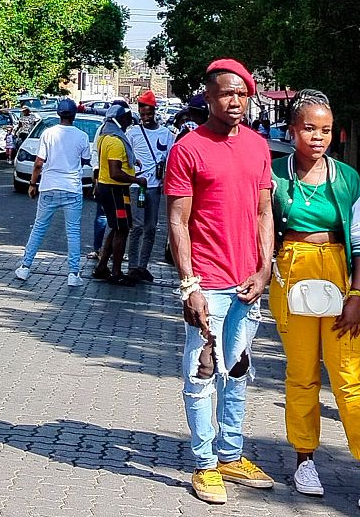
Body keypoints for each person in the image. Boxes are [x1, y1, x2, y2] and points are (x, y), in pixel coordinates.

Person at [269, 89, 360, 510]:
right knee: (301, 375)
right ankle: (305, 460)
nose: (317, 137)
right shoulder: (274, 175)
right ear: (292, 130)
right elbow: (260, 226)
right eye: (308, 128)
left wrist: (357, 294)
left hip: (337, 273)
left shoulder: (348, 178)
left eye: (325, 130)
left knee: (349, 377)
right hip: (291, 273)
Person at [164, 58, 274, 505]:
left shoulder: (259, 146)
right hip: (208, 283)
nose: (235, 100)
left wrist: (265, 269)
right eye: (227, 93)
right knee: (201, 372)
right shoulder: (188, 149)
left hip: (248, 282)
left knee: (239, 372)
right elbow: (176, 221)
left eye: (242, 93)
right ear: (207, 97)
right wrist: (189, 285)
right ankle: (205, 464)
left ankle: (231, 455)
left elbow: (265, 212)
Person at [14, 99, 92, 287]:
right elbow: (85, 160)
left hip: (49, 185)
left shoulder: (48, 133)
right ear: (74, 115)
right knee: (73, 231)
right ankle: (73, 273)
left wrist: (32, 183)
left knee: (39, 227)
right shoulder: (82, 136)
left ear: (58, 114)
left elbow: (39, 162)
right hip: (72, 187)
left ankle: (25, 266)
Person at [125, 90, 175, 283]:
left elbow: (170, 161)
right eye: (142, 114)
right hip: (137, 186)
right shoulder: (133, 133)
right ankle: (132, 267)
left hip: (155, 187)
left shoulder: (166, 134)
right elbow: (127, 158)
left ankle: (142, 266)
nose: (145, 118)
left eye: (148, 114)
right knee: (136, 227)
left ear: (155, 112)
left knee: (151, 228)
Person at [92, 104, 141, 283]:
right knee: (122, 229)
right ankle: (117, 273)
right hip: (116, 191)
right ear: (119, 119)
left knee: (116, 227)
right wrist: (137, 180)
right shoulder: (116, 141)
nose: (129, 121)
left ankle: (102, 266)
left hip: (110, 188)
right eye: (127, 117)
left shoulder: (106, 137)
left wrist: (134, 162)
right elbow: (115, 172)